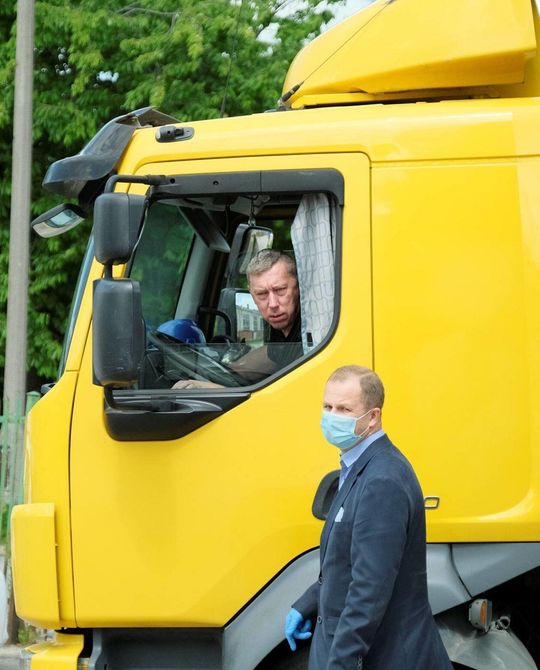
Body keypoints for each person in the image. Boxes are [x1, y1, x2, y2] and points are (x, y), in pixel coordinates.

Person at [284, 365, 452, 670]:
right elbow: (347, 563)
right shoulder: (360, 466)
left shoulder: (382, 481)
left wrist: (341, 664)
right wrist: (309, 603)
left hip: (385, 656)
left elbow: (369, 590)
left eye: (344, 409)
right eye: (327, 407)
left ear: (373, 417)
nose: (332, 417)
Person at [173, 250, 302, 388]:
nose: (273, 304)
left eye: (280, 290)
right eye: (261, 294)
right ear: (251, 294)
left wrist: (205, 388)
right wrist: (227, 371)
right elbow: (273, 354)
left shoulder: (311, 335)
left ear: (299, 287)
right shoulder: (283, 333)